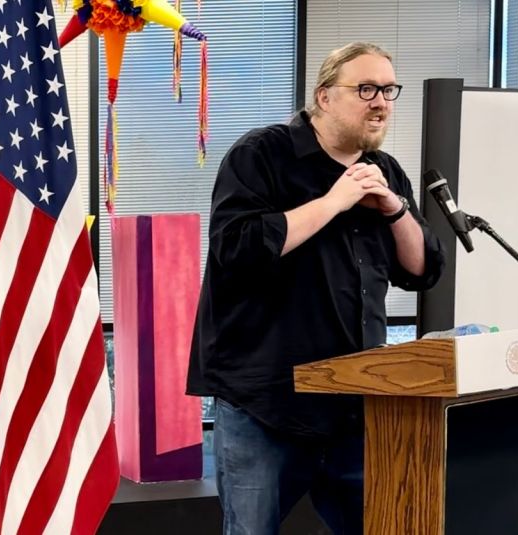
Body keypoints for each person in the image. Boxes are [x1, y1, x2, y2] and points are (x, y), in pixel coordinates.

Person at [186, 42, 446, 535]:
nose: (381, 102)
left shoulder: (385, 171)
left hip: (355, 398)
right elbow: (237, 249)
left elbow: (421, 271)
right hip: (266, 401)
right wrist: (334, 201)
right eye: (365, 89)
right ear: (324, 96)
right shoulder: (260, 154)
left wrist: (394, 209)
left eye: (389, 90)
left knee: (378, 526)